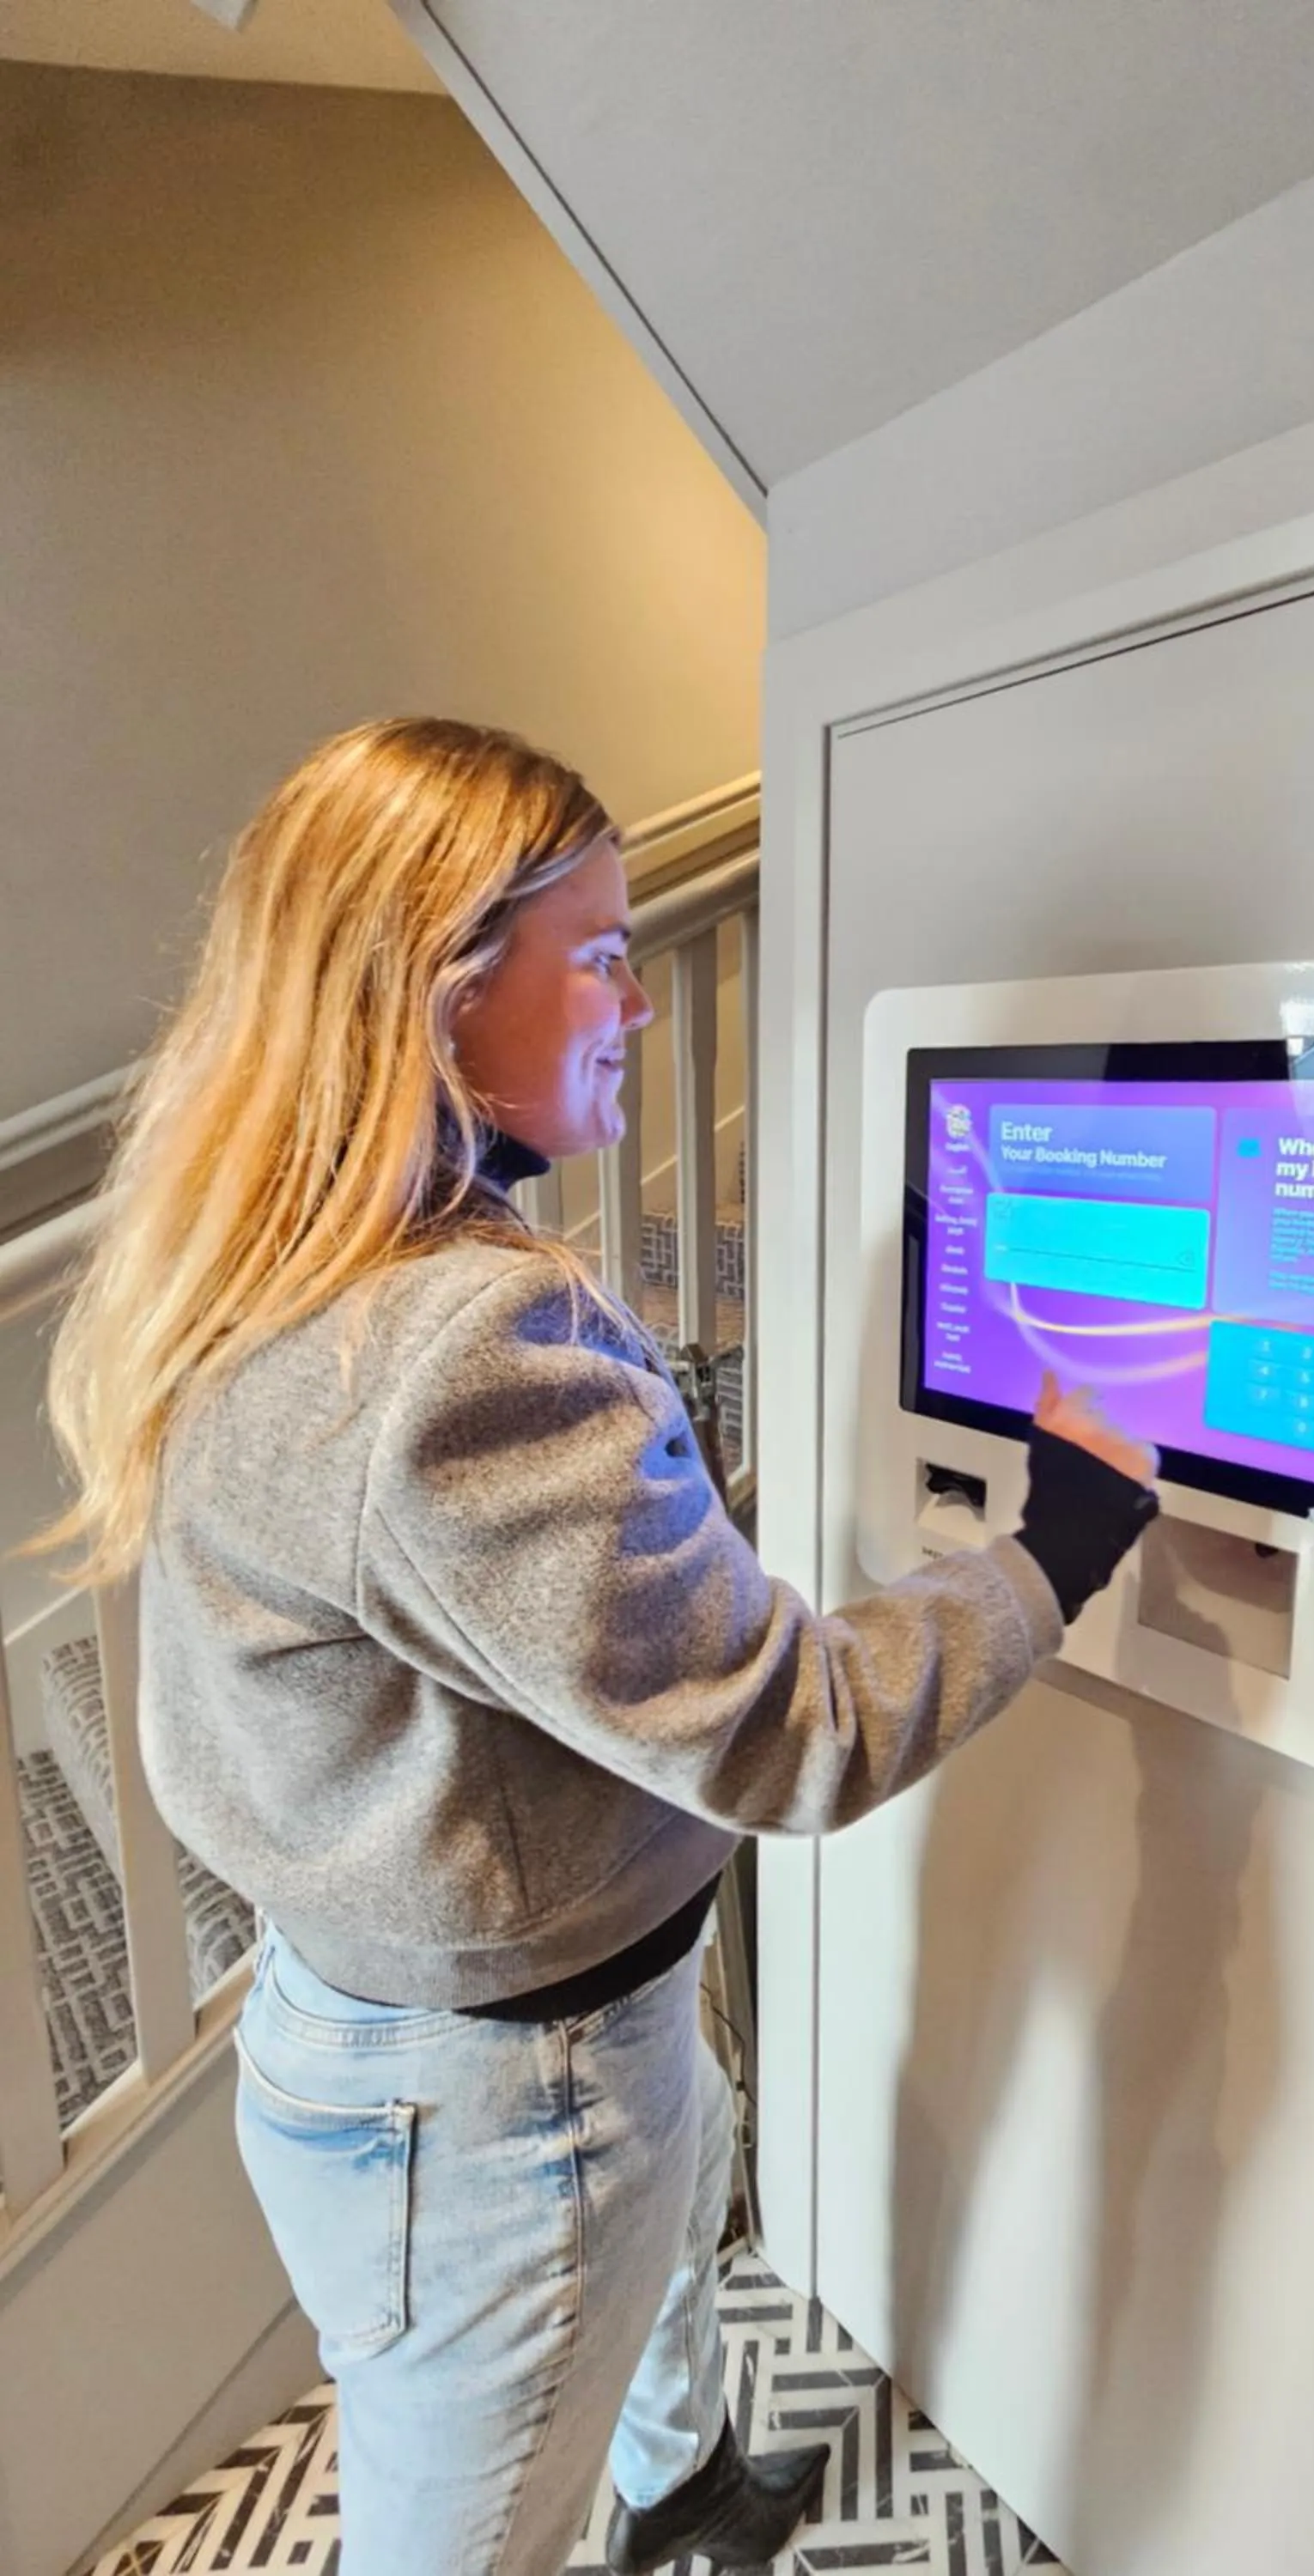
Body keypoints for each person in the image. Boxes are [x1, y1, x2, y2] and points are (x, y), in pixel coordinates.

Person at [37, 718, 1159, 2576]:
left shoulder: (263, 1265)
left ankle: (680, 2497)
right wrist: (1063, 1539)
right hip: (504, 2097)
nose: (639, 1004)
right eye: (608, 956)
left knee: (657, 2254)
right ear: (440, 990)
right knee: (457, 2529)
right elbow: (793, 1731)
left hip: (403, 2012)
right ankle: (650, 2495)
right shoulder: (463, 1350)